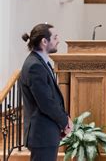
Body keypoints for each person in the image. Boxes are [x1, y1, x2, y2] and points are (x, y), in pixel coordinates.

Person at [19, 23, 72, 161]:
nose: (58, 40)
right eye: (55, 37)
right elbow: (46, 102)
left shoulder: (40, 62)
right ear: (44, 41)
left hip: (46, 132)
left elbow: (51, 98)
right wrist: (64, 121)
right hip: (42, 134)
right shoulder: (34, 66)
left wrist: (63, 120)